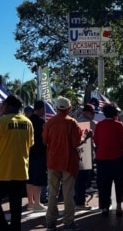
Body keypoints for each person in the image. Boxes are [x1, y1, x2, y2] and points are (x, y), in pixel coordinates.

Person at [0, 94, 34, 231]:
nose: (2, 107)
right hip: (21, 169)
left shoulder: (1, 122)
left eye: (4, 105)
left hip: (1, 170)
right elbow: (30, 144)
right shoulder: (27, 122)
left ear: (9, 106)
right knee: (16, 205)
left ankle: (3, 227)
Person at [43, 96, 88, 231]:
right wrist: (86, 136)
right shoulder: (72, 123)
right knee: (68, 193)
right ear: (69, 109)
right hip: (68, 162)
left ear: (56, 108)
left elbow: (45, 141)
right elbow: (76, 142)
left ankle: (50, 221)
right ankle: (68, 222)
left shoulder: (49, 123)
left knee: (52, 193)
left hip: (53, 161)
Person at [93, 102, 123, 217]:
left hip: (102, 158)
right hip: (117, 158)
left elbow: (96, 141)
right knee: (119, 182)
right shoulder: (119, 125)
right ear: (115, 113)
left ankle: (105, 207)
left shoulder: (99, 125)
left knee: (104, 183)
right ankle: (118, 206)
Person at [26, 100, 48, 212]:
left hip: (28, 152)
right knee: (38, 179)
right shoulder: (41, 122)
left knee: (29, 179)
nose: (45, 111)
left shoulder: (28, 121)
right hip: (39, 153)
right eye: (44, 109)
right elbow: (45, 140)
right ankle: (37, 203)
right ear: (40, 109)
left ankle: (30, 202)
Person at [74, 103, 97, 210]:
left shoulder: (75, 121)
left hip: (75, 152)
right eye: (92, 113)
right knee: (82, 180)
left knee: (76, 179)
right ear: (86, 112)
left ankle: (77, 200)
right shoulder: (91, 123)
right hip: (85, 154)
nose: (94, 115)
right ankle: (80, 203)